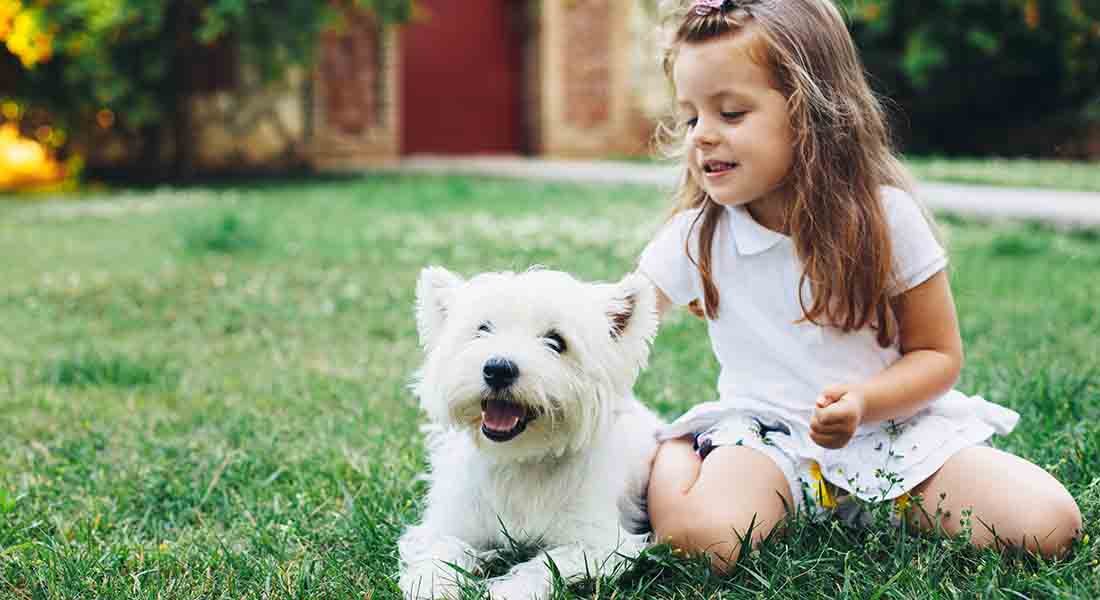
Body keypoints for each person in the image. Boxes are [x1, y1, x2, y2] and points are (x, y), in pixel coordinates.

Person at [638, 0, 1082, 571]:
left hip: (890, 431)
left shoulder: (885, 218)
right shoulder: (696, 234)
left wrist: (864, 402)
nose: (702, 137)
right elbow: (616, 317)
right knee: (707, 544)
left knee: (1048, 523)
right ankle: (678, 448)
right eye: (692, 117)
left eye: (731, 113)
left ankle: (877, 501)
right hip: (764, 439)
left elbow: (937, 354)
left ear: (810, 112)